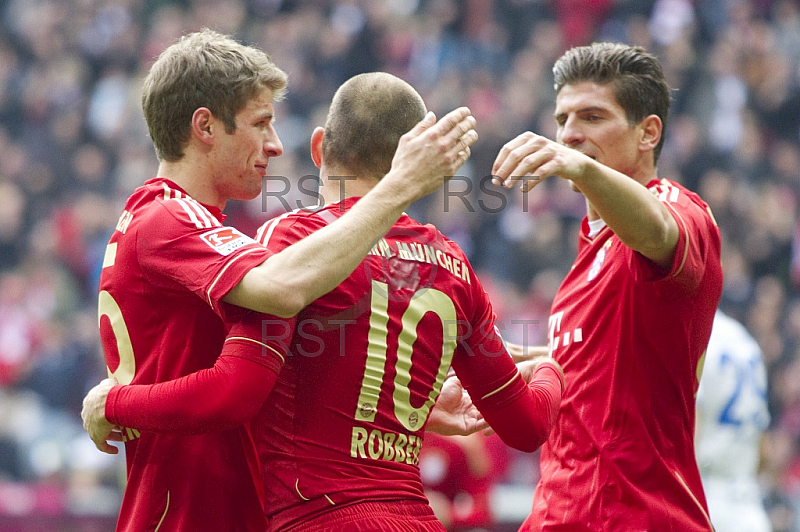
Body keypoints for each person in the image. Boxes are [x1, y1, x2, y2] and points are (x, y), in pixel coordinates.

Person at [83, 71, 565, 531]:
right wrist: (555, 365)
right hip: (415, 517)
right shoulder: (454, 265)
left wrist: (117, 404)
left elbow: (238, 387)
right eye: (262, 124)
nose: (272, 143)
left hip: (314, 515)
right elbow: (525, 427)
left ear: (318, 147)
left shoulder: (290, 245)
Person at [492, 42, 723, 531]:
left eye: (593, 117)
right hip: (560, 513)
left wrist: (580, 167)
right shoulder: (588, 252)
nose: (570, 134)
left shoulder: (681, 211)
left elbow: (658, 231)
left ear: (648, 132)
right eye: (563, 119)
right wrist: (545, 364)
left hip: (633, 516)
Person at [695, 309, 772, 532]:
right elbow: (763, 450)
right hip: (749, 508)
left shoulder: (694, 331)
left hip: (704, 502)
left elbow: (691, 429)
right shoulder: (745, 341)